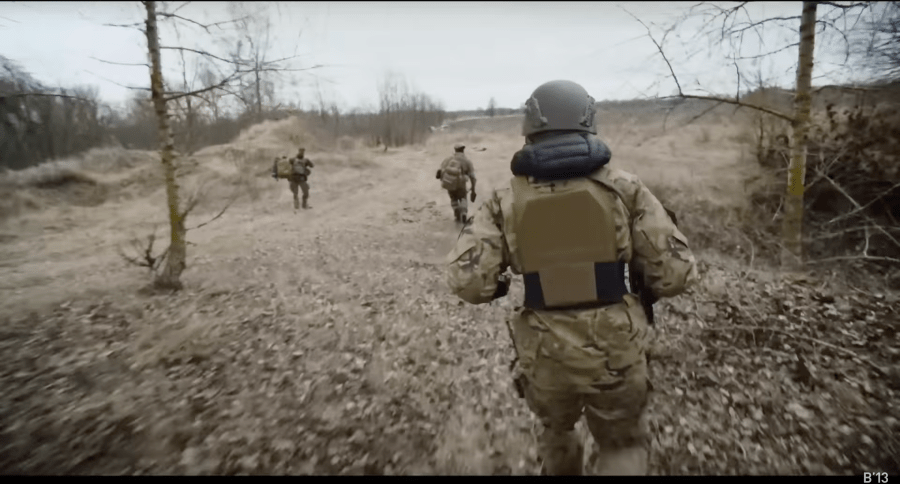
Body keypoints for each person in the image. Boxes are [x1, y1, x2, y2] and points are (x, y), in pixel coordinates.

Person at [444, 80, 699, 475]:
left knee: (556, 429)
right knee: (622, 442)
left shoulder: (504, 199)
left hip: (545, 353)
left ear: (529, 128)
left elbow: (467, 281)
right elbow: (676, 275)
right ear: (588, 123)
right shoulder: (626, 189)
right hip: (616, 347)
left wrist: (500, 286)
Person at [436, 143, 477, 223]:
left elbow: (440, 171)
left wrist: (443, 181)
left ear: (455, 150)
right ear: (463, 150)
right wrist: (473, 190)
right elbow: (472, 176)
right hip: (461, 183)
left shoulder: (448, 159)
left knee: (453, 198)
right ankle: (464, 212)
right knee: (463, 197)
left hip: (450, 182)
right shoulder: (467, 161)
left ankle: (456, 210)